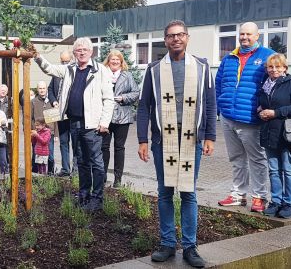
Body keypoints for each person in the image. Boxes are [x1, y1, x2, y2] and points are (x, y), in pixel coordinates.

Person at [137, 20, 216, 268]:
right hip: (164, 140)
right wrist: (142, 139)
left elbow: (211, 103)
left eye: (180, 35)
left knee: (189, 192)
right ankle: (168, 244)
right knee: (165, 191)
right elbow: (143, 106)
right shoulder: (154, 69)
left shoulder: (202, 67)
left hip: (192, 138)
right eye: (171, 36)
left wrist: (210, 136)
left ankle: (190, 247)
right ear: (165, 40)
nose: (176, 39)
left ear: (187, 38)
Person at [34, 37, 114, 212]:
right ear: (74, 53)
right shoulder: (69, 69)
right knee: (82, 162)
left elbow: (109, 99)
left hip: (93, 125)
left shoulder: (101, 70)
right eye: (79, 50)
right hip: (74, 123)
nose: (82, 52)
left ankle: (97, 198)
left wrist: (104, 122)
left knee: (96, 162)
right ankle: (84, 195)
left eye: (85, 49)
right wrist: (37, 56)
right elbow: (50, 69)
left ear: (91, 52)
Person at [216, 22, 275, 213]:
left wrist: (267, 109)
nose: (244, 37)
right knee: (236, 157)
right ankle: (238, 194)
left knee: (257, 158)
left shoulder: (267, 56)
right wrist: (219, 106)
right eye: (242, 34)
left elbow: (276, 83)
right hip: (228, 116)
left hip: (250, 118)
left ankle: (259, 196)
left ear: (257, 36)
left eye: (249, 34)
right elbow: (219, 83)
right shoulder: (229, 58)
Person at [258, 54, 291, 219]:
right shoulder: (265, 85)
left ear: (285, 68)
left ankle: (288, 204)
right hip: (269, 133)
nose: (274, 70)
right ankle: (275, 202)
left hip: (287, 134)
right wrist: (260, 109)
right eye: (271, 67)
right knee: (274, 170)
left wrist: (275, 112)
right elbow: (263, 103)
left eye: (278, 66)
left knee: (289, 170)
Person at [101, 49, 140, 186]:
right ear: (109, 61)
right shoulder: (102, 74)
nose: (115, 62)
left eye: (118, 60)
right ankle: (103, 177)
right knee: (104, 147)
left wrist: (123, 97)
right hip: (105, 116)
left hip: (122, 117)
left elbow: (136, 93)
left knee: (119, 147)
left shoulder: (127, 75)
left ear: (121, 62)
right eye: (113, 59)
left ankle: (118, 180)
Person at [48, 50, 75, 177]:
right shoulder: (56, 74)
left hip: (73, 114)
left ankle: (76, 169)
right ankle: (65, 168)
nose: (64, 64)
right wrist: (53, 101)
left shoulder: (75, 73)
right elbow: (50, 89)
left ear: (72, 60)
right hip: (60, 113)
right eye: (62, 61)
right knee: (64, 141)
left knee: (76, 143)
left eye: (67, 61)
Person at [31, 81, 55, 174]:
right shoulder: (33, 102)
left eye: (43, 88)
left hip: (49, 133)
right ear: (37, 89)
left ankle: (50, 173)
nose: (42, 90)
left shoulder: (51, 102)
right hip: (37, 133)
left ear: (46, 89)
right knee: (36, 154)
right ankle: (36, 173)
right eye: (40, 88)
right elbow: (30, 118)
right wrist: (33, 130)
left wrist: (56, 134)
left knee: (50, 154)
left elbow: (55, 120)